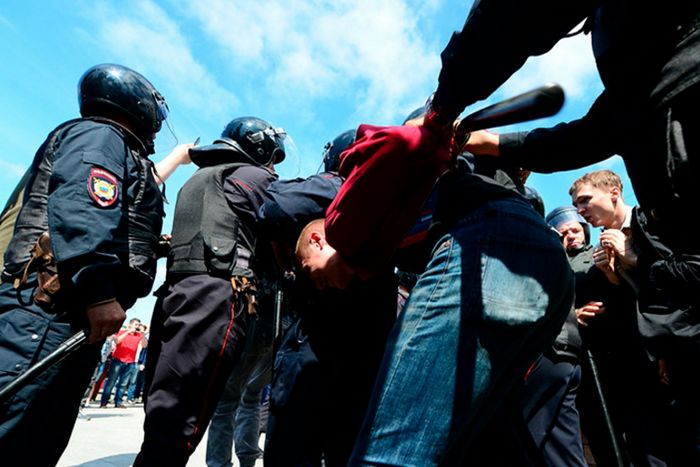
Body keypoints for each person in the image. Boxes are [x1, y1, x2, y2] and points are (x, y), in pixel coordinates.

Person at [424, 3, 700, 461]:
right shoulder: (640, 90)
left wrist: (444, 105)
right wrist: (488, 140)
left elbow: (512, 17)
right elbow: (580, 138)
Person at [0, 63, 173, 466]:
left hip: (65, 316)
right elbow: (83, 212)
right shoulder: (102, 135)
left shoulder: (114, 144)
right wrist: (97, 293)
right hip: (48, 311)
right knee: (15, 429)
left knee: (38, 437)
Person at [135, 116, 286, 467]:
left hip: (177, 293)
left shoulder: (201, 178)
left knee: (164, 413)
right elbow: (289, 214)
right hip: (214, 299)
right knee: (181, 421)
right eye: (271, 159)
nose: (272, 168)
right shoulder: (252, 176)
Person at [260, 130, 397, 467]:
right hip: (330, 351)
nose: (319, 283)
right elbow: (275, 208)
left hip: (346, 355)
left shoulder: (371, 204)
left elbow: (275, 205)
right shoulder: (370, 206)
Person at [569, 170, 673, 466]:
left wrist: (633, 258)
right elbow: (636, 300)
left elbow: (681, 283)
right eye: (576, 206)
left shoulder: (653, 222)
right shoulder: (601, 249)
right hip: (637, 360)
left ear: (614, 193)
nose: (581, 210)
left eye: (585, 201)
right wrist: (612, 277)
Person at [519, 206, 590, 467]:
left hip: (555, 350)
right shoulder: (557, 259)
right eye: (564, 233)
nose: (570, 237)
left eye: (575, 230)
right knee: (560, 444)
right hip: (567, 352)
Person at [99, 318, 146, 408]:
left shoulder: (139, 335)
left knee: (123, 384)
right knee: (111, 382)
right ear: (130, 325)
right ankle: (104, 402)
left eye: (138, 325)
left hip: (130, 362)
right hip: (117, 360)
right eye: (136, 325)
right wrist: (128, 332)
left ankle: (118, 402)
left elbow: (144, 345)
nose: (137, 327)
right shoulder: (121, 332)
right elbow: (117, 341)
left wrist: (143, 335)